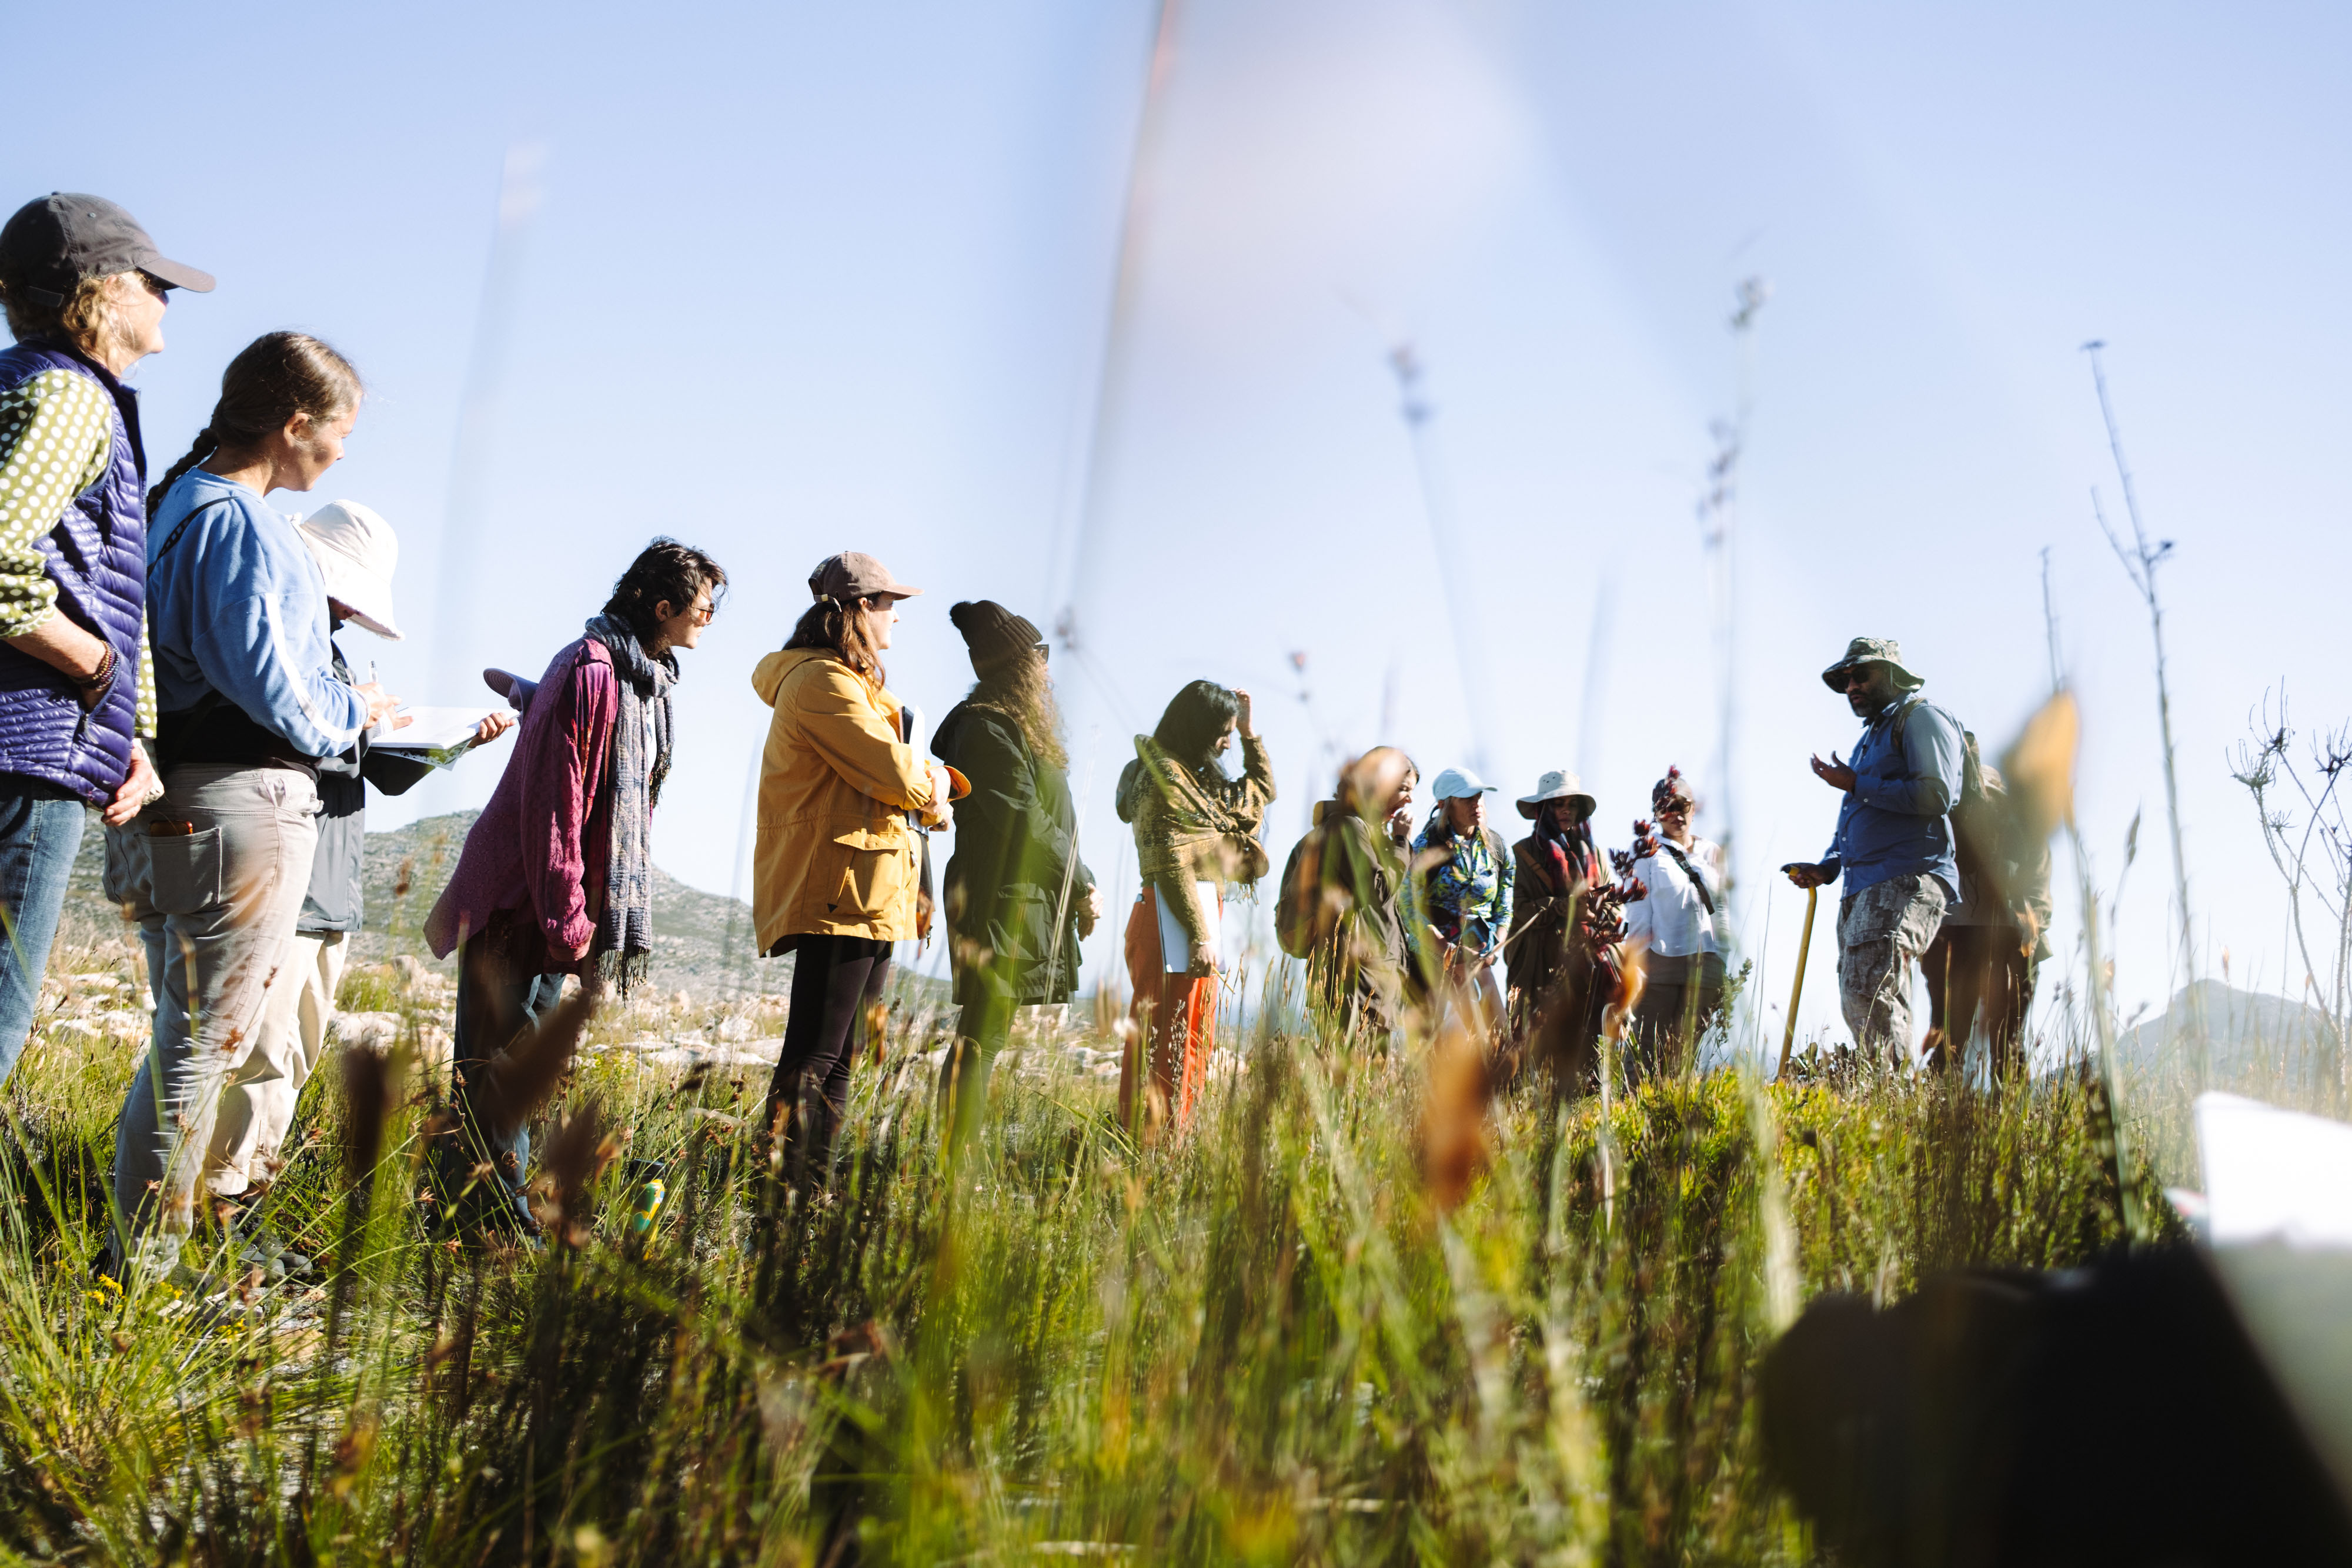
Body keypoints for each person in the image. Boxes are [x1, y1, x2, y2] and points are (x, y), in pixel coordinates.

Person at [111, 332, 383, 1279]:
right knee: (203, 1048)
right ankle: (141, 1271)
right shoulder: (242, 520)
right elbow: (269, 678)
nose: (344, 452)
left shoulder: (177, 507)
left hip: (177, 797)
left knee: (183, 1039)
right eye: (341, 430)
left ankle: (134, 1255)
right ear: (296, 422)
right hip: (243, 802)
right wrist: (357, 710)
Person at [202, 502, 513, 1200]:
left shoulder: (328, 648)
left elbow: (377, 770)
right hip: (285, 874)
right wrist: (359, 707)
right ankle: (220, 1195)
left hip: (331, 884)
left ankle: (250, 1189)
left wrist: (455, 740)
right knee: (261, 1050)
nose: (345, 608)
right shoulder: (281, 636)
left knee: (297, 1051)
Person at [425, 538, 726, 1234]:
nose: (709, 618)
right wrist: (569, 919)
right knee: (499, 1069)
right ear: (662, 606)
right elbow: (557, 808)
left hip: (554, 901)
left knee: (509, 1068)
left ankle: (465, 1218)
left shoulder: (642, 678)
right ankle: (497, 1228)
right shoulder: (593, 670)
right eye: (703, 607)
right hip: (523, 902)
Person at [0, 193, 209, 1087]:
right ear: (102, 291)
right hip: (28, 748)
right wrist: (93, 670)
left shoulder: (31, 384)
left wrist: (131, 731)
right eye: (154, 280)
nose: (168, 297)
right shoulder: (68, 397)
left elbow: (105, 586)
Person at [750, 552, 953, 1186]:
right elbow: (895, 773)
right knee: (815, 1053)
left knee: (842, 1056)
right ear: (862, 607)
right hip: (842, 889)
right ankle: (774, 1197)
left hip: (868, 890)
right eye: (890, 604)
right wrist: (935, 785)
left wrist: (931, 791)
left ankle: (807, 1197)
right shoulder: (821, 683)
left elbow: (899, 780)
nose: (896, 618)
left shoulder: (850, 684)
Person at [930, 600, 1098, 1154]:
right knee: (982, 1034)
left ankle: (956, 1163)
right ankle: (954, 1169)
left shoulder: (1008, 725)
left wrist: (1079, 881)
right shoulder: (984, 729)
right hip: (999, 901)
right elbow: (1024, 819)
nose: (1047, 667)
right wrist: (1081, 879)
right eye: (1039, 655)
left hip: (1018, 897)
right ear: (1018, 666)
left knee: (987, 1033)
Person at [1783, 637, 1964, 1069]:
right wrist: (1828, 866)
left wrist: (1855, 784)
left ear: (1892, 675)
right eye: (1845, 679)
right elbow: (1858, 814)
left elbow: (1937, 794)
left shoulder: (1921, 717)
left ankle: (1894, 1110)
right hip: (1863, 884)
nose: (1851, 686)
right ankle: (1883, 1102)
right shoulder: (1869, 739)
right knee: (1859, 993)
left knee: (1873, 990)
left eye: (1861, 675)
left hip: (1906, 876)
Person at [1115, 679, 1275, 1134]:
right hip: (1174, 915)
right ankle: (1148, 1144)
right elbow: (1170, 859)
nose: (1226, 741)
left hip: (1191, 915)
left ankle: (1169, 1141)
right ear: (1198, 726)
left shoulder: (1195, 778)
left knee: (1188, 1036)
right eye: (1222, 730)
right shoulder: (1163, 777)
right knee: (1164, 1037)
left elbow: (1261, 793)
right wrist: (1202, 933)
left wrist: (1250, 733)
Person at [1922, 747, 2052, 1079]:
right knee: (1951, 1035)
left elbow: (2039, 890)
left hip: (2012, 942)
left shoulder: (2024, 839)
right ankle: (1938, 1107)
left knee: (2009, 1040)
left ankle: (2006, 1110)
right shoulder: (1950, 835)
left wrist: (2029, 924)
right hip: (1959, 940)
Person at [1275, 747, 1421, 1037]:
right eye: (1403, 788)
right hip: (1353, 986)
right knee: (1348, 1074)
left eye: (1412, 791)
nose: (1410, 798)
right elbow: (1378, 891)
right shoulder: (1347, 827)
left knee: (1366, 1080)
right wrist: (1402, 842)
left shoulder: (1369, 831)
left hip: (1373, 984)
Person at [1503, 768, 1615, 1072]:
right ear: (1542, 809)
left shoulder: (1595, 855)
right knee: (1530, 1048)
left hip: (1586, 964)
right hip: (1538, 964)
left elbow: (1613, 909)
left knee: (1585, 1046)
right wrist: (1564, 908)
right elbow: (1518, 909)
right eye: (1557, 803)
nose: (1566, 810)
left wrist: (1601, 916)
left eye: (1572, 804)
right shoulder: (1522, 854)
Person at [1621, 766, 1728, 1076]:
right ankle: (1636, 1115)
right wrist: (1637, 968)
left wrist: (1722, 958)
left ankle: (1677, 1118)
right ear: (1656, 813)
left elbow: (1722, 911)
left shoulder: (1712, 852)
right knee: (1645, 1054)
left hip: (1704, 965)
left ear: (1694, 810)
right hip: (1659, 963)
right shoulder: (1645, 852)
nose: (1676, 814)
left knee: (1684, 1056)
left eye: (1683, 806)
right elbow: (1639, 911)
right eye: (1667, 807)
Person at [1411, 767, 1513, 1035]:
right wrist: (1446, 948)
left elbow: (1504, 907)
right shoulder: (1424, 848)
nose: (1476, 803)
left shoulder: (1498, 848)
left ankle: (1504, 1065)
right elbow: (1408, 907)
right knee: (1455, 1036)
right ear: (1444, 805)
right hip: (1432, 957)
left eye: (1478, 797)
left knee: (1497, 1027)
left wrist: (1495, 944)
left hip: (1479, 953)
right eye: (1466, 798)